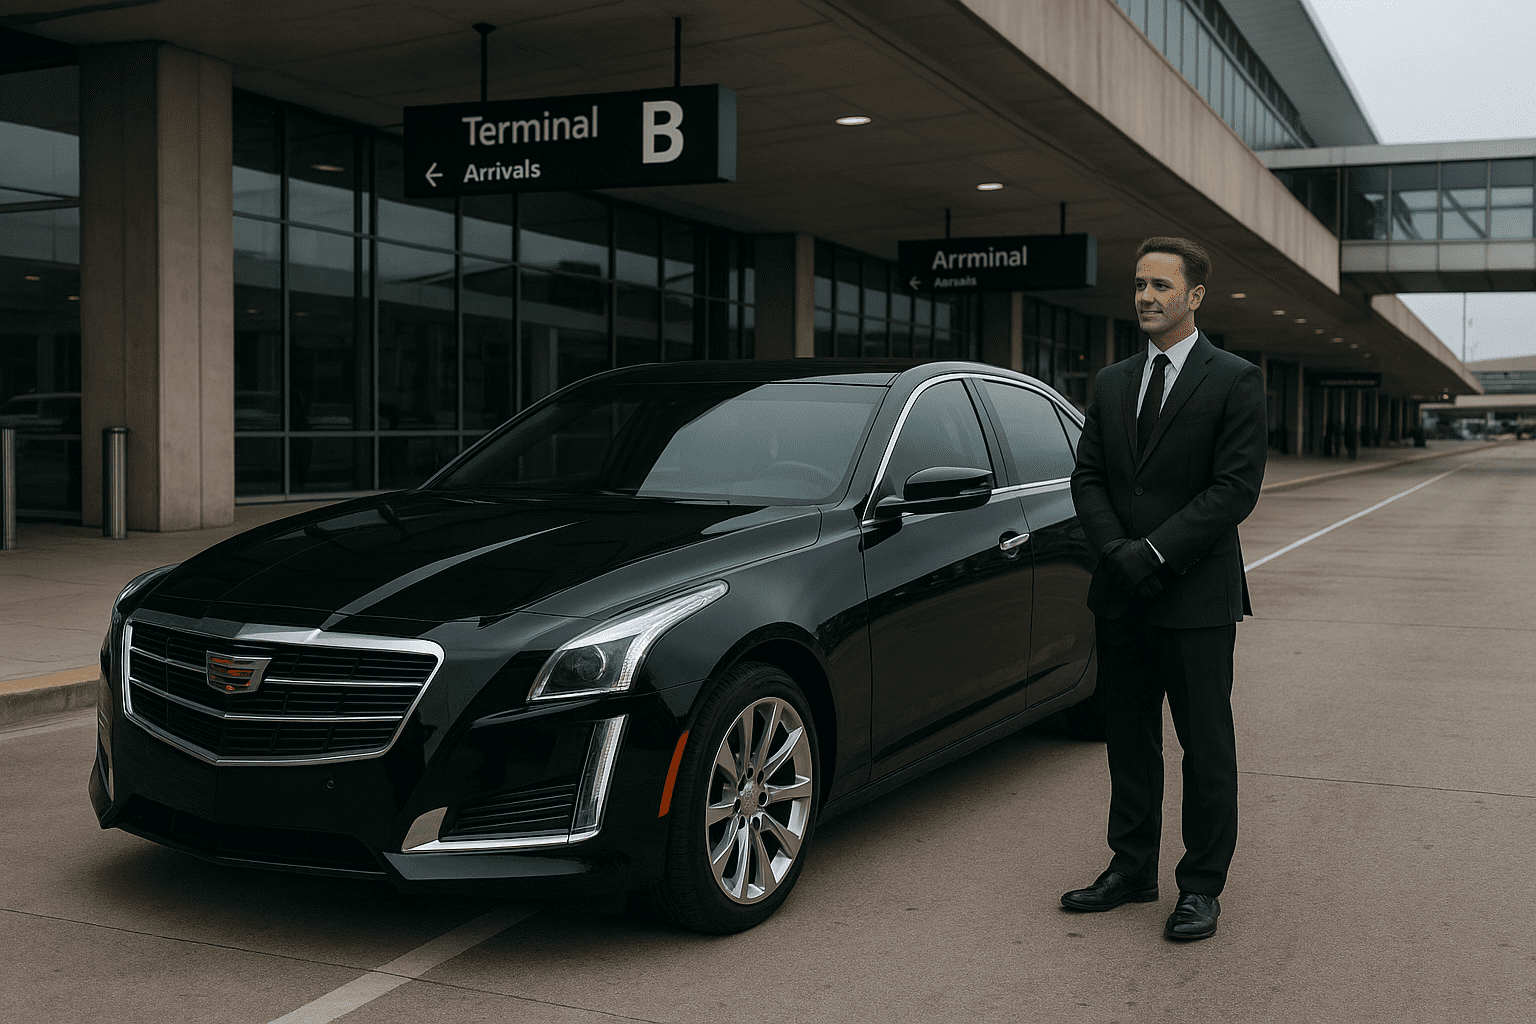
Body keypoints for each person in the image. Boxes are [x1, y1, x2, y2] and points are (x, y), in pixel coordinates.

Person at [1062, 236, 1267, 941]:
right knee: (1129, 740)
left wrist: (1153, 551)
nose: (1146, 297)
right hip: (1122, 593)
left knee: (1205, 746)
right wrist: (1118, 551)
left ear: (1195, 296)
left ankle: (1201, 885)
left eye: (1160, 286)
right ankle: (1131, 868)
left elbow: (1234, 489)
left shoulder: (1235, 379)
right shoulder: (1114, 381)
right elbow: (1087, 477)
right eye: (1139, 284)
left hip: (1195, 598)